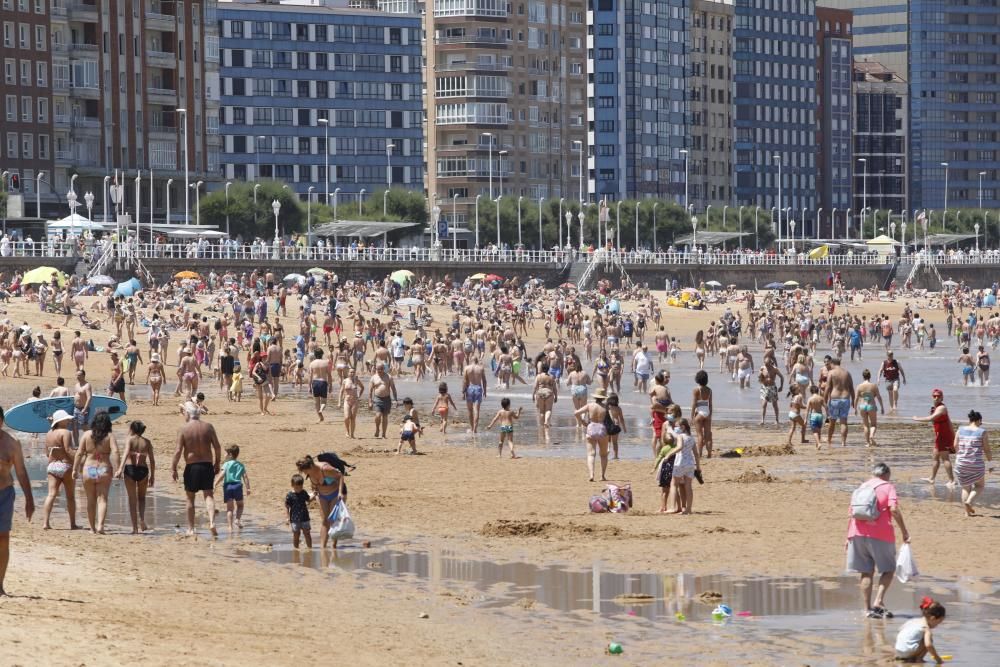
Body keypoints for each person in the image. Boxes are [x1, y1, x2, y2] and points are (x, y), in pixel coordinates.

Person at [845, 462, 909, 619]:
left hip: (857, 533)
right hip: (880, 534)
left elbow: (851, 513)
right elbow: (893, 509)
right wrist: (904, 531)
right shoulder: (888, 487)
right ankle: (879, 601)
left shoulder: (861, 487)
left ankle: (866, 609)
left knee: (866, 573)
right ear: (886, 475)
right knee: (888, 569)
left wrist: (847, 537)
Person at [171, 407, 222, 536]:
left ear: (188, 414)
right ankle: (211, 522)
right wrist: (217, 463)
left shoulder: (183, 429)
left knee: (190, 498)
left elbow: (178, 451)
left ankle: (191, 528)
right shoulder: (208, 427)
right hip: (206, 464)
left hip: (192, 466)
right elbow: (217, 447)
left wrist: (173, 467)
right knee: (209, 495)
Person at [0, 407, 35, 596]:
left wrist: (29, 499)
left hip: (4, 494)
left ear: (1, 422)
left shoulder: (11, 444)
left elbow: (21, 472)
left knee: (3, 539)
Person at [72, 412, 119, 535]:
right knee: (102, 499)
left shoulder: (87, 435)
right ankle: (100, 526)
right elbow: (116, 452)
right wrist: (118, 468)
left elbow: (79, 453)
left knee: (90, 499)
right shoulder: (110, 436)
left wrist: (74, 469)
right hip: (103, 469)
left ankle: (92, 528)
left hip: (89, 469)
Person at [114, 420, 155, 534]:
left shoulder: (130, 440)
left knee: (132, 500)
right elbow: (152, 460)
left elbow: (126, 453)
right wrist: (152, 476)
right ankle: (142, 519)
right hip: (143, 471)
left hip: (130, 470)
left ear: (132, 429)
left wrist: (120, 469)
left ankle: (135, 529)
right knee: (141, 498)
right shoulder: (147, 442)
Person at [295, 454, 343, 549]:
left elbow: (340, 476)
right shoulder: (309, 471)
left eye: (305, 471)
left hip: (334, 494)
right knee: (325, 521)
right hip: (322, 496)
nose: (304, 473)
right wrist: (314, 492)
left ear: (311, 466)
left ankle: (334, 546)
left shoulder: (325, 469)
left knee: (332, 520)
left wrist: (340, 492)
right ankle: (323, 548)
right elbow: (314, 484)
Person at [42, 410, 78, 530]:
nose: (68, 421)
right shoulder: (66, 432)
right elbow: (68, 450)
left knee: (51, 494)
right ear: (60, 421)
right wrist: (78, 461)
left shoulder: (48, 433)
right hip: (65, 466)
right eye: (66, 419)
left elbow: (47, 453)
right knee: (70, 497)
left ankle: (45, 523)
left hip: (52, 466)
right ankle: (73, 524)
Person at [913, 388, 956, 487]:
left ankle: (952, 480)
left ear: (942, 398)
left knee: (945, 458)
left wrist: (916, 418)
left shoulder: (941, 408)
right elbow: (947, 422)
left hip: (944, 436)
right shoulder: (934, 407)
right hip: (939, 436)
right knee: (935, 457)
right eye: (934, 396)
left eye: (938, 396)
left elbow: (931, 419)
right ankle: (932, 478)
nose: (936, 398)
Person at [953, 410, 992, 516]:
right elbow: (987, 450)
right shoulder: (982, 432)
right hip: (976, 464)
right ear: (979, 420)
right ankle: (969, 502)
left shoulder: (960, 430)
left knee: (965, 487)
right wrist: (990, 464)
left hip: (961, 463)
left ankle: (967, 513)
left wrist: (961, 456)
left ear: (969, 420)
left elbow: (955, 445)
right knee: (980, 486)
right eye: (981, 422)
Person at [660, 418, 701, 515]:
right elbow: (696, 454)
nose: (676, 428)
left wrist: (668, 454)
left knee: (673, 484)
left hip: (680, 463)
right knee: (688, 486)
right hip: (690, 464)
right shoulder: (691, 438)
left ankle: (673, 507)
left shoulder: (680, 436)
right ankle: (688, 509)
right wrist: (698, 467)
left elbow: (679, 447)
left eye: (677, 426)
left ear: (683, 427)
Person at [574, 388, 611, 482]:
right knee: (603, 455)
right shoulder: (606, 407)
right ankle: (602, 476)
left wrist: (582, 422)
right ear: (603, 398)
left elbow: (576, 413)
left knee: (591, 454)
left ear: (595, 397)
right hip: (602, 429)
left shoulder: (590, 405)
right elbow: (612, 419)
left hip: (591, 428)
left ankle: (591, 475)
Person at [895, 597, 946, 663]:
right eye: (938, 622)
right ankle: (919, 659)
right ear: (933, 618)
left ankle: (910, 657)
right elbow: (928, 645)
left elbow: (900, 629)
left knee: (918, 638)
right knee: (929, 640)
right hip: (908, 651)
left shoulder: (912, 621)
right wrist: (938, 659)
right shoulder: (926, 628)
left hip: (898, 650)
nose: (937, 625)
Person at [214, 445, 249, 531]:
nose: (224, 455)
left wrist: (215, 483)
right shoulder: (240, 465)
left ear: (230, 454)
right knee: (240, 505)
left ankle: (230, 527)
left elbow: (222, 475)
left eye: (225, 453)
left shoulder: (226, 464)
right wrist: (248, 488)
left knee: (229, 509)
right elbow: (245, 477)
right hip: (237, 486)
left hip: (228, 487)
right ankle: (237, 520)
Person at [823, 358, 855, 448]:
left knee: (832, 422)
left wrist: (824, 400)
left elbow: (828, 387)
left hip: (835, 399)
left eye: (830, 364)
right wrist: (853, 400)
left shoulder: (831, 373)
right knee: (843, 422)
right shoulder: (847, 373)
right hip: (845, 398)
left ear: (833, 363)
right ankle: (843, 442)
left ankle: (829, 439)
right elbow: (851, 388)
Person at [854, 369, 885, 448]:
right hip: (871, 406)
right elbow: (879, 397)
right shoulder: (873, 386)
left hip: (862, 406)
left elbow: (856, 398)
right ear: (870, 376)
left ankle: (868, 443)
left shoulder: (859, 386)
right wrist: (882, 407)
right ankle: (871, 435)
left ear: (863, 376)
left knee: (865, 425)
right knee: (873, 424)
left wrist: (855, 409)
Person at [652, 424, 678, 513]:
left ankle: (663, 507)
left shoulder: (664, 449)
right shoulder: (676, 447)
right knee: (674, 488)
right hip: (674, 469)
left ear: (664, 440)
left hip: (665, 470)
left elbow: (659, 458)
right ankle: (677, 506)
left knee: (664, 491)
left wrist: (654, 468)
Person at [369, 363, 397, 439]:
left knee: (385, 417)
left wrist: (395, 400)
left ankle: (384, 434)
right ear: (376, 369)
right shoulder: (373, 378)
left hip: (387, 399)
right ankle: (377, 429)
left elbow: (393, 389)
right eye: (378, 369)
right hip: (377, 399)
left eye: (381, 369)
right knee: (378, 415)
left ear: (384, 369)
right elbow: (370, 391)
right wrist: (370, 401)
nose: (379, 370)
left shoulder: (389, 377)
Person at [285, 474, 312, 549]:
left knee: (307, 533)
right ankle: (296, 549)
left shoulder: (303, 492)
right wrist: (287, 518)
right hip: (294, 519)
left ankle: (310, 548)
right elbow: (287, 507)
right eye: (297, 487)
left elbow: (308, 500)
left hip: (305, 517)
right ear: (292, 485)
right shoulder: (289, 495)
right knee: (296, 534)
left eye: (301, 487)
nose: (299, 489)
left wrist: (314, 495)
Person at [691, 370, 714, 458]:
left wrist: (692, 415)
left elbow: (694, 404)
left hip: (699, 413)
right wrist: (710, 414)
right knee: (708, 435)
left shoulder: (696, 390)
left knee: (699, 435)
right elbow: (710, 404)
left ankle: (699, 454)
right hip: (707, 412)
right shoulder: (709, 390)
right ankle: (709, 454)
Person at [462, 356, 488, 433]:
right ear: (477, 361)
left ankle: (471, 427)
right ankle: (475, 429)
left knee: (470, 410)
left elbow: (464, 381)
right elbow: (484, 381)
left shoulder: (466, 368)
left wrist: (463, 392)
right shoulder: (481, 368)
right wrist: (485, 391)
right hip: (478, 389)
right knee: (476, 410)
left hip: (469, 389)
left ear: (470, 360)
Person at [308, 348, 333, 423]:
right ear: (322, 354)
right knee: (324, 402)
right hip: (323, 382)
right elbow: (329, 375)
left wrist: (309, 387)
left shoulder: (312, 364)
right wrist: (330, 385)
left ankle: (320, 418)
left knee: (316, 402)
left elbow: (310, 376)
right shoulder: (325, 363)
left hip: (315, 382)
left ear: (315, 355)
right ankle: (321, 410)